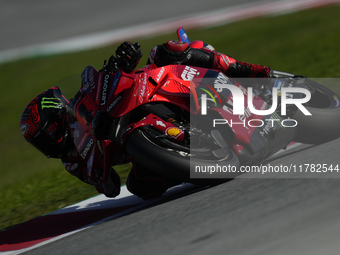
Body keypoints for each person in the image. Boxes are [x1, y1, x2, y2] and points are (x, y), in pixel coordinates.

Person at [20, 38, 273, 200]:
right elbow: (109, 187)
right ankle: (196, 157)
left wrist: (122, 61)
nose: (46, 146)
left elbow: (103, 84)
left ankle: (253, 72)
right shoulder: (71, 162)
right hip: (135, 141)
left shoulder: (81, 102)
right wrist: (101, 176)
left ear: (56, 120)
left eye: (43, 137)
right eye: (39, 142)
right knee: (140, 187)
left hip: (147, 89)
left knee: (169, 51)